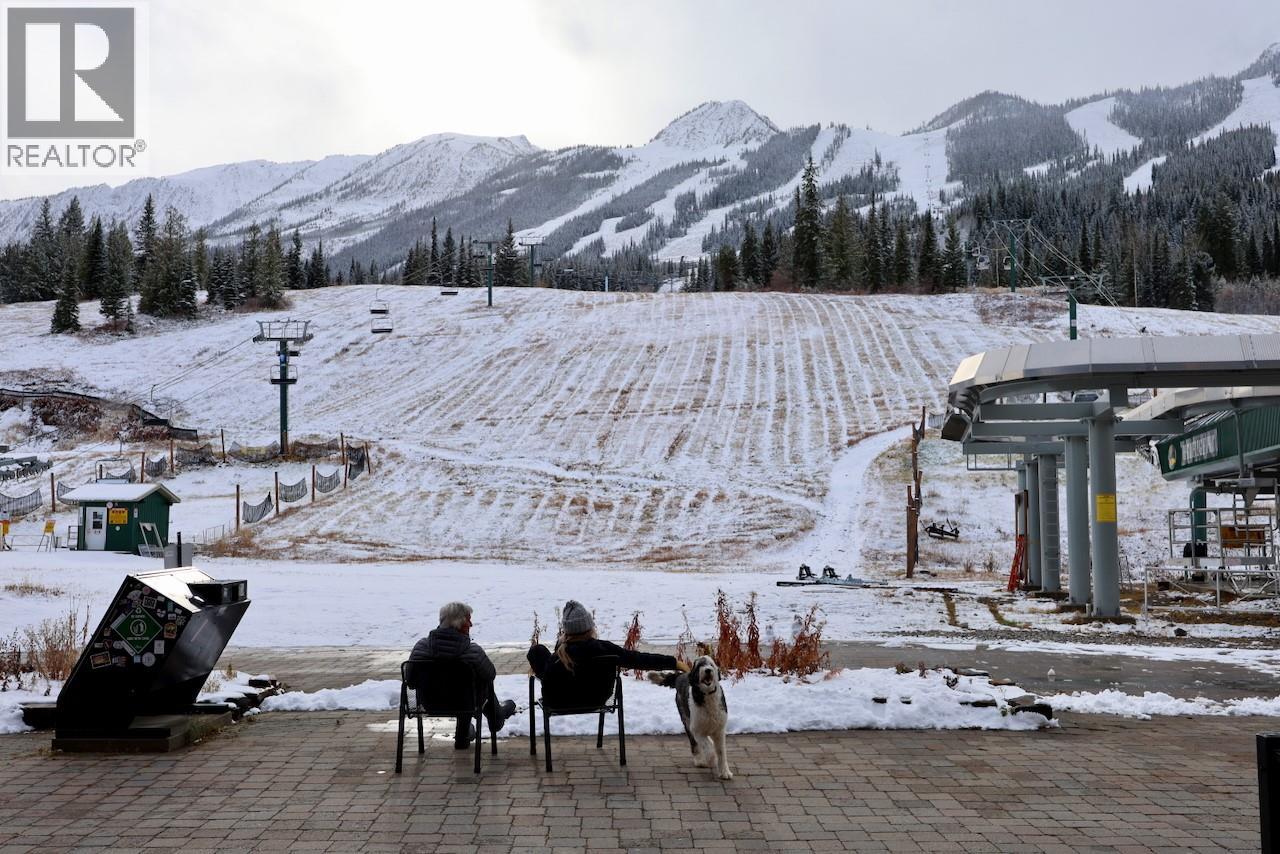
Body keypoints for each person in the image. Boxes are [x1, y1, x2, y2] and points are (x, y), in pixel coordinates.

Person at [528, 600, 689, 705]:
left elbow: (548, 679)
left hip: (558, 702)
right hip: (596, 700)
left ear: (566, 630)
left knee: (537, 652)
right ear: (590, 627)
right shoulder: (605, 649)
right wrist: (675, 663)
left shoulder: (559, 656)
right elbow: (638, 659)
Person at [410, 601, 517, 749]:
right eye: (468, 620)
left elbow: (410, 680)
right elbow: (491, 675)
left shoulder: (420, 648)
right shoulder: (473, 652)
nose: (471, 624)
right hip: (467, 704)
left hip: (430, 704)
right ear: (458, 624)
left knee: (466, 687)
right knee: (479, 684)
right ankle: (496, 718)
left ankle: (465, 734)